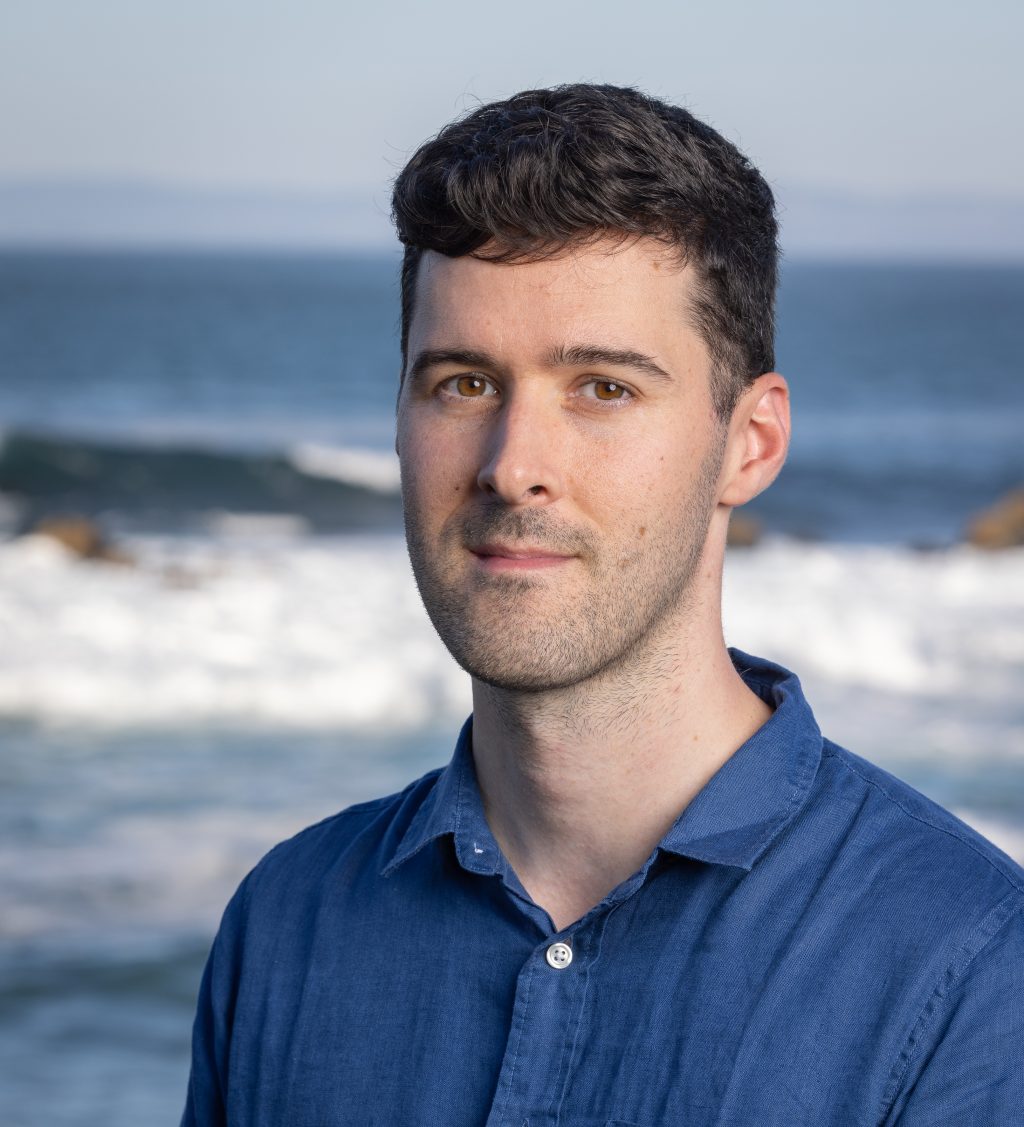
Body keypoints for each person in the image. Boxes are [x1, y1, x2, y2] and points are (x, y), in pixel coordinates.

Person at [181, 85, 1024, 1126]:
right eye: (462, 384)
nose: (512, 465)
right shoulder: (289, 918)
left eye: (603, 388)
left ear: (748, 442)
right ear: (398, 418)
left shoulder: (968, 963)